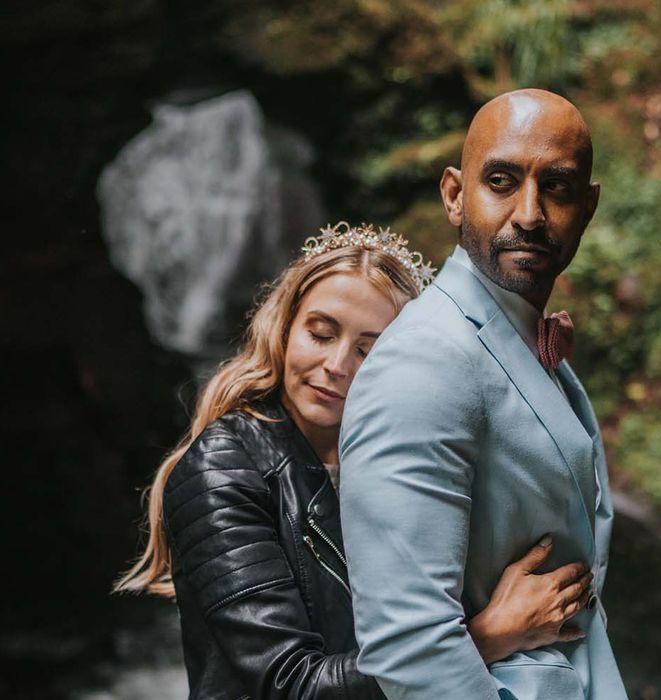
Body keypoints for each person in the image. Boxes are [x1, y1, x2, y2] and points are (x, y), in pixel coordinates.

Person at [114, 222, 595, 699]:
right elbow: (291, 686)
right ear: (284, 328)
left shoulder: (416, 455)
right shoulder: (222, 470)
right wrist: (487, 638)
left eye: (370, 348)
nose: (338, 365)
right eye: (321, 334)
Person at [339, 91, 628, 699]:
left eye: (558, 186)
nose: (530, 213)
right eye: (501, 180)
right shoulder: (425, 360)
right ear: (453, 195)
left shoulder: (521, 339)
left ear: (589, 205)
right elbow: (408, 646)